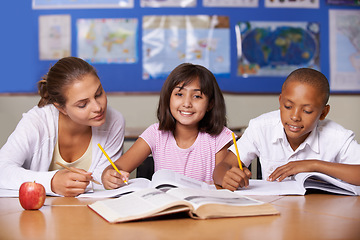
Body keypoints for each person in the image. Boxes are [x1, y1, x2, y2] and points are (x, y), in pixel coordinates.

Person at [213, 68, 360, 191]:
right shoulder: (261, 127)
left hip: (322, 213)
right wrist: (226, 177)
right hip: (276, 211)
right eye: (288, 107)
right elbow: (222, 167)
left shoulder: (337, 136)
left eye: (307, 111)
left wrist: (314, 165)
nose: (295, 117)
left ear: (323, 113)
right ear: (280, 101)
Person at [0, 57, 126, 197]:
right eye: (83, 105)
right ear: (61, 108)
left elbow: (100, 182)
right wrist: (52, 182)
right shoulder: (37, 122)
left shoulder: (114, 121)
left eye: (99, 94)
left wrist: (108, 179)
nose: (98, 107)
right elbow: (2, 169)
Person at [102, 63, 233, 189]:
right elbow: (117, 167)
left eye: (197, 96)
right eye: (179, 94)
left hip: (203, 209)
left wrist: (228, 177)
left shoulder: (219, 137)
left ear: (210, 104)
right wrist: (108, 175)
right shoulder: (155, 133)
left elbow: (221, 177)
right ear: (168, 98)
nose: (187, 103)